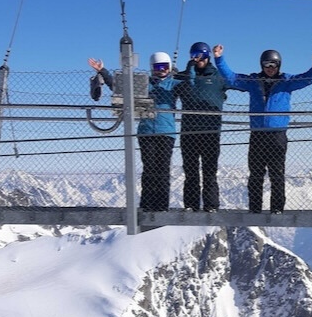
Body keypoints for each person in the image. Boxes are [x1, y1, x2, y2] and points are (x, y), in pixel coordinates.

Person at [214, 37, 312, 213]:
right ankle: (255, 208)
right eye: (267, 65)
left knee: (277, 173)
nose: (270, 69)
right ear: (262, 65)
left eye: (274, 65)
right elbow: (231, 79)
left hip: (277, 135)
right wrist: (219, 58)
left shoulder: (286, 81)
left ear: (279, 65)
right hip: (258, 134)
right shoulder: (253, 81)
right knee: (256, 174)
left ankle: (277, 209)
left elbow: (308, 79)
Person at [88, 51, 182, 211]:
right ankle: (147, 204)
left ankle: (161, 206)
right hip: (146, 131)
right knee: (149, 168)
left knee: (163, 169)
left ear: (170, 67)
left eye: (165, 66)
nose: (162, 70)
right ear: (153, 68)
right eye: (158, 67)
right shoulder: (145, 84)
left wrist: (183, 75)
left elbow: (190, 88)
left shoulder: (174, 84)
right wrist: (102, 71)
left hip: (166, 132)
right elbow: (120, 88)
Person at [173, 41, 230, 212]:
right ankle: (191, 205)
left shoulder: (218, 78)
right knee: (190, 172)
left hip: (210, 133)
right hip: (189, 132)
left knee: (209, 172)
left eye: (201, 56)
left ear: (207, 56)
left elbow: (235, 80)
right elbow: (164, 86)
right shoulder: (182, 78)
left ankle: (211, 205)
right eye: (194, 56)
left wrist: (221, 58)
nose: (197, 59)